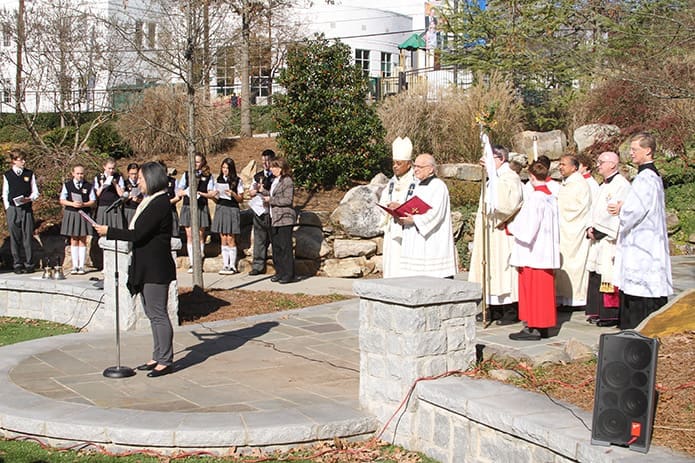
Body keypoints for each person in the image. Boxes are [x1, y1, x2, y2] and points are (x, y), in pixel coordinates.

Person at [95, 162, 177, 378]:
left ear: (151, 178)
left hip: (156, 267)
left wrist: (108, 231)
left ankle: (166, 360)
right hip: (144, 265)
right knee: (151, 313)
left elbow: (138, 234)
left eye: (141, 178)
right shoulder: (149, 201)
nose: (138, 182)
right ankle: (157, 355)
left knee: (158, 313)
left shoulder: (160, 203)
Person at [610, 132, 673, 329]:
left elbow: (635, 210)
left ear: (648, 150)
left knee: (640, 291)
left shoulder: (645, 178)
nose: (631, 153)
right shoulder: (650, 176)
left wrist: (622, 208)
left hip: (643, 244)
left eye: (635, 149)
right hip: (647, 238)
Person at [468, 146, 523, 323]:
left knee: (503, 270)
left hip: (501, 231)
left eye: (488, 158)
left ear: (500, 158)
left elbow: (509, 204)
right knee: (490, 268)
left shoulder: (509, 177)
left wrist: (492, 174)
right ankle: (494, 307)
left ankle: (510, 310)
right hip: (488, 231)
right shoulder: (494, 178)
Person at [508, 161, 560, 340]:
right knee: (544, 293)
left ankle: (533, 327)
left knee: (533, 291)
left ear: (531, 177)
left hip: (533, 252)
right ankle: (543, 326)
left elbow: (528, 228)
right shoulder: (551, 196)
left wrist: (511, 228)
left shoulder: (536, 198)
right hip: (545, 251)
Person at [585, 151, 630, 327]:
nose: (598, 165)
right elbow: (594, 209)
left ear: (613, 164)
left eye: (601, 162)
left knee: (608, 274)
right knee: (596, 273)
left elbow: (612, 213)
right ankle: (597, 311)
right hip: (597, 237)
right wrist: (589, 226)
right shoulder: (603, 185)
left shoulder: (621, 185)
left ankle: (609, 314)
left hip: (609, 238)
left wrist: (598, 230)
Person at [398, 153, 457, 278]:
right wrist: (398, 209)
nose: (416, 169)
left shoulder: (438, 186)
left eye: (420, 166)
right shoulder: (413, 185)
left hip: (431, 240)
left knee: (433, 279)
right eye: (415, 166)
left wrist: (414, 219)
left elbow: (436, 213)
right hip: (413, 237)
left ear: (431, 169)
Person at [556, 154, 592, 309]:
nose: (560, 167)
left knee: (574, 263)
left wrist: (557, 208)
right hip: (565, 229)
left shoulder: (579, 184)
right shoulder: (567, 183)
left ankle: (576, 299)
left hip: (574, 230)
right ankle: (564, 297)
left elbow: (578, 208)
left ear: (574, 167)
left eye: (564, 164)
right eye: (560, 164)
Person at [379, 136, 416, 278]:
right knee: (391, 264)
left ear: (408, 164)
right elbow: (383, 201)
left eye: (399, 163)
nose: (395, 166)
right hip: (392, 229)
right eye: (394, 163)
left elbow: (417, 205)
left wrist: (401, 207)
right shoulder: (392, 182)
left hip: (407, 229)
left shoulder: (416, 182)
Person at [2, 149, 39, 273]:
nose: (23, 162)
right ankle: (17, 264)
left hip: (26, 208)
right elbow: (5, 193)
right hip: (13, 209)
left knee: (28, 236)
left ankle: (29, 264)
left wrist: (30, 198)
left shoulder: (29, 173)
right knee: (15, 237)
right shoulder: (7, 175)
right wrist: (8, 208)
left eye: (24, 159)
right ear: (14, 161)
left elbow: (35, 191)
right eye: (20, 160)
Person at [177, 153, 215, 273]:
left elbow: (211, 193)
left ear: (203, 162)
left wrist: (201, 194)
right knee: (189, 235)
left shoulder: (208, 176)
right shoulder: (187, 174)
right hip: (188, 206)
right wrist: (186, 192)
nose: (196, 164)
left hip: (201, 206)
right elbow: (179, 190)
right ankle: (192, 262)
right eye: (194, 162)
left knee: (199, 235)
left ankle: (198, 261)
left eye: (198, 162)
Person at [59, 164, 96, 275]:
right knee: (74, 239)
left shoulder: (88, 186)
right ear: (73, 173)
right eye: (78, 173)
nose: (80, 176)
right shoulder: (67, 185)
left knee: (83, 239)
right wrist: (72, 204)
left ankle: (81, 266)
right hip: (72, 213)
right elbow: (62, 199)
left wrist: (83, 204)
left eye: (82, 173)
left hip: (84, 213)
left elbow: (93, 201)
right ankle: (75, 266)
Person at [264, 157, 296, 284]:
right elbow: (274, 195)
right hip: (274, 217)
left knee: (285, 247)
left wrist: (270, 200)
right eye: (271, 167)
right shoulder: (274, 180)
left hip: (284, 218)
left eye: (274, 167)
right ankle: (280, 272)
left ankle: (288, 274)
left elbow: (287, 200)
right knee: (276, 247)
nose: (271, 169)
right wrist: (262, 191)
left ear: (281, 167)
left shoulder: (287, 181)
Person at [211, 158, 244, 275]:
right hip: (221, 208)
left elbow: (241, 199)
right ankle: (225, 264)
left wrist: (233, 194)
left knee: (230, 237)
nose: (225, 170)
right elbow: (216, 199)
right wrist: (213, 196)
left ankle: (232, 265)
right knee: (223, 237)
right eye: (223, 168)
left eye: (227, 168)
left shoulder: (237, 180)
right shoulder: (219, 180)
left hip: (232, 209)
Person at [247, 149, 276, 275]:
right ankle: (257, 266)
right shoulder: (257, 176)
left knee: (275, 240)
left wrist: (264, 190)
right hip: (259, 211)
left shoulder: (276, 176)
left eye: (268, 161)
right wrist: (254, 191)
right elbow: (251, 191)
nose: (265, 163)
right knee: (259, 239)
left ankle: (278, 266)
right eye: (263, 161)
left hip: (272, 211)